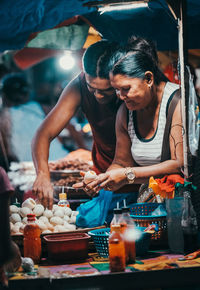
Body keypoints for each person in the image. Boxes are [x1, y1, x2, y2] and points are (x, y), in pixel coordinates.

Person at [79, 37, 184, 195]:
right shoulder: (125, 112)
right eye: (116, 90)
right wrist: (103, 180)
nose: (120, 96)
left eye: (126, 89)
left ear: (148, 79)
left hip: (183, 205)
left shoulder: (178, 102)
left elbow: (179, 163)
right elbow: (121, 162)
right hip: (152, 204)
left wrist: (127, 175)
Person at [32, 40, 126, 209]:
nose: (98, 96)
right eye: (92, 88)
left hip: (137, 178)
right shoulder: (78, 85)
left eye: (106, 91)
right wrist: (42, 175)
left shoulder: (132, 90)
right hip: (101, 179)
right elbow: (44, 134)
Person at [0, 73, 69, 163]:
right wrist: (83, 147)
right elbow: (70, 127)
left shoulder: (3, 116)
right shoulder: (40, 108)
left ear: (4, 95)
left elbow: (8, 152)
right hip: (61, 159)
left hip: (29, 166)